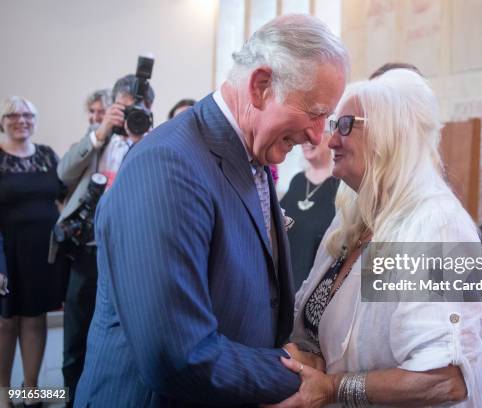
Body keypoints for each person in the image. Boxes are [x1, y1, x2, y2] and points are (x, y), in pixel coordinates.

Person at [74, 14, 348, 407]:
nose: (318, 136)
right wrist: (290, 371)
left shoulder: (247, 155)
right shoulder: (169, 166)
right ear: (261, 86)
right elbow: (175, 355)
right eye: (316, 112)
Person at [278, 69, 482, 407]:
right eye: (334, 125)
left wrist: (333, 387)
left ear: (389, 134)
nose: (331, 139)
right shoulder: (354, 217)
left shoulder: (437, 226)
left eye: (345, 125)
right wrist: (307, 356)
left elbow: (446, 379)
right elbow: (325, 331)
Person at [51, 77, 155, 406]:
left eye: (136, 109)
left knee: (117, 335)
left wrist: (140, 139)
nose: (128, 115)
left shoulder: (154, 144)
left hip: (128, 253)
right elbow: (63, 174)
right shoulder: (98, 140)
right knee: (76, 333)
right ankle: (69, 397)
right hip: (87, 249)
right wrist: (99, 135)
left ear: (149, 109)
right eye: (122, 108)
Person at [0, 96, 67, 408]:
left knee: (35, 317)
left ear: (35, 120)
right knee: (5, 321)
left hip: (41, 251)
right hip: (4, 250)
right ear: (3, 122)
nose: (21, 120)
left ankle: (31, 388)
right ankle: (3, 391)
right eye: (13, 115)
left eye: (27, 115)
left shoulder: (46, 155)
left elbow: (64, 194)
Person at [280, 131, 338, 291]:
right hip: (283, 285)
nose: (306, 141)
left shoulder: (340, 187)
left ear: (331, 137)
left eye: (315, 134)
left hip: (314, 289)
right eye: (304, 136)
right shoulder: (297, 181)